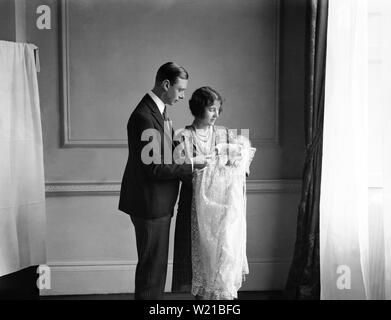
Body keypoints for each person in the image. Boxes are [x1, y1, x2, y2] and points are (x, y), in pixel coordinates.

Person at [118, 62, 205, 300]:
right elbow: (154, 167)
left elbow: (166, 152)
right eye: (180, 90)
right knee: (151, 271)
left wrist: (189, 152)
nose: (183, 96)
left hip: (156, 203)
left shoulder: (159, 111)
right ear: (166, 84)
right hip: (150, 204)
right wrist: (192, 166)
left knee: (155, 270)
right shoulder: (144, 116)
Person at [172, 87, 256, 300]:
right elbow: (181, 171)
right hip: (194, 204)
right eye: (211, 109)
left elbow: (240, 162)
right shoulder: (183, 136)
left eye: (218, 109)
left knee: (223, 255)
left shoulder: (225, 134)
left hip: (223, 206)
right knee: (200, 258)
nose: (216, 114)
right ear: (199, 109)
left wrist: (237, 157)